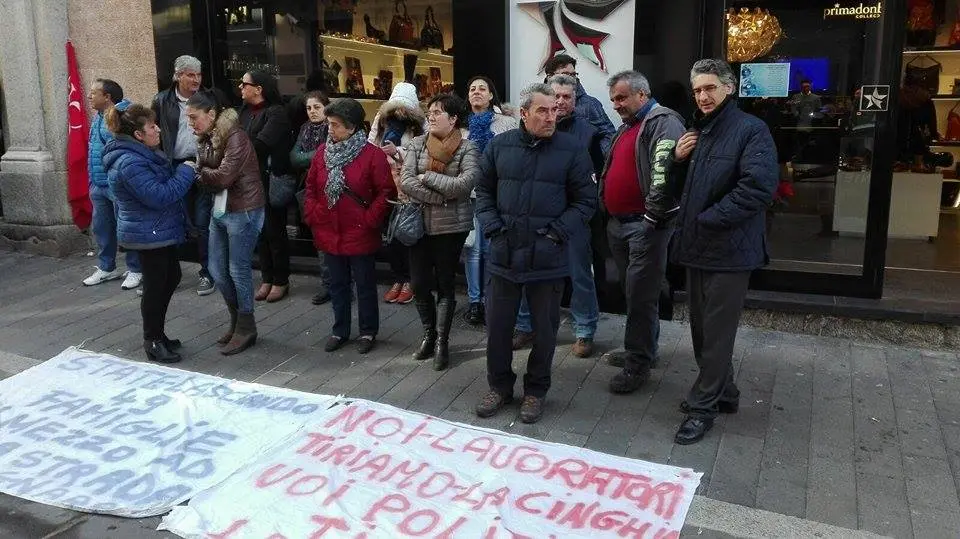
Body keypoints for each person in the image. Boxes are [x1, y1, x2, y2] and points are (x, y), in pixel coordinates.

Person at [474, 83, 596, 424]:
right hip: (504, 254)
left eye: (554, 110)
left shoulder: (571, 149)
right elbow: (482, 191)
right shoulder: (499, 146)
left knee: (544, 331)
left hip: (547, 257)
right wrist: (494, 231)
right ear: (524, 113)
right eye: (542, 110)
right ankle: (499, 387)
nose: (551, 115)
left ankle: (535, 391)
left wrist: (556, 234)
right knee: (498, 329)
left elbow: (586, 201)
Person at [670, 59, 778, 444]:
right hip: (699, 247)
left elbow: (758, 188)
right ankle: (725, 393)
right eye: (698, 90)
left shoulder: (751, 130)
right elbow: (681, 187)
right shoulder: (699, 129)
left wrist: (709, 219)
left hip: (729, 250)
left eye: (710, 88)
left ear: (729, 88)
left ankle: (703, 406)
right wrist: (677, 160)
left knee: (714, 332)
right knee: (703, 329)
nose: (703, 96)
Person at [599, 70, 687, 394]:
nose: (616, 105)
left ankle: (637, 366)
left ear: (642, 94)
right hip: (620, 225)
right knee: (635, 294)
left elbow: (663, 176)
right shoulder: (629, 126)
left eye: (621, 97)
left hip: (643, 226)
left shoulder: (663, 122)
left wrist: (651, 219)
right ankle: (643, 351)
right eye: (613, 100)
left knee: (639, 296)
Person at [512, 74, 603, 358]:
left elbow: (595, 180)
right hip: (536, 218)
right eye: (557, 97)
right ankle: (526, 326)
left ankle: (585, 330)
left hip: (573, 219)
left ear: (576, 101)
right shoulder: (526, 130)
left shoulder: (588, 133)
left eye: (567, 97)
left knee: (580, 276)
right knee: (528, 274)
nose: (561, 103)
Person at [101, 104, 196, 363]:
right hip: (147, 233)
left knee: (170, 277)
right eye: (152, 127)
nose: (157, 130)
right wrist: (187, 171)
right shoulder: (130, 162)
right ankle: (152, 340)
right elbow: (160, 195)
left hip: (156, 229)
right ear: (138, 135)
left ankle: (158, 334)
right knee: (156, 286)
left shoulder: (142, 154)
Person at [304, 99, 396, 355]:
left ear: (352, 127)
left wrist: (369, 221)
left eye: (335, 125)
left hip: (359, 231)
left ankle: (368, 331)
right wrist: (313, 213)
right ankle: (340, 329)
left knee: (365, 285)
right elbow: (311, 186)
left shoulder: (372, 155)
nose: (329, 129)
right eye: (329, 124)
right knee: (337, 284)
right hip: (328, 229)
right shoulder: (323, 152)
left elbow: (385, 192)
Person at [401, 93, 480, 371]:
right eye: (430, 112)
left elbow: (465, 184)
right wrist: (438, 196)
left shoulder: (468, 148)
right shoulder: (416, 144)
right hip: (419, 224)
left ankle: (441, 342)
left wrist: (430, 177)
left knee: (445, 284)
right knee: (420, 284)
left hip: (451, 227)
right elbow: (407, 181)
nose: (431, 116)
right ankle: (428, 334)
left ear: (454, 118)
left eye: (438, 112)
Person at [189, 91, 266, 356]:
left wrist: (201, 174)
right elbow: (211, 174)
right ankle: (237, 320)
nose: (191, 123)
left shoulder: (236, 136)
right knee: (216, 269)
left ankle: (246, 325)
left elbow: (221, 177)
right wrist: (205, 174)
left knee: (237, 269)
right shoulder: (205, 137)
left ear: (211, 114)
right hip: (221, 209)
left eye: (194, 117)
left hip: (244, 209)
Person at [152, 55, 216, 296]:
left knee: (202, 222)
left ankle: (208, 272)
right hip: (175, 166)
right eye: (190, 75)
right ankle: (172, 274)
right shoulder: (161, 100)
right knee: (176, 221)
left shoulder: (209, 98)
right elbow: (155, 133)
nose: (196, 79)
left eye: (199, 75)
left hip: (202, 164)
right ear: (178, 76)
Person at [463, 75, 519, 325]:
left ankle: (490, 298)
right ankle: (475, 301)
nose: (476, 92)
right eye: (472, 88)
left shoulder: (506, 123)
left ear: (490, 95)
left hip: (498, 194)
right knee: (473, 249)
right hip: (469, 194)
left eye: (482, 88)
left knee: (491, 248)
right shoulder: (460, 125)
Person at [368, 82, 426, 305]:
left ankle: (411, 280)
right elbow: (371, 144)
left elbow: (423, 151)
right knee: (390, 235)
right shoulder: (381, 121)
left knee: (408, 234)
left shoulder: (418, 125)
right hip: (385, 183)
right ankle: (398, 278)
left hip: (408, 185)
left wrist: (398, 151)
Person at [238, 70, 293, 303]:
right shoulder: (243, 112)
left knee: (274, 231)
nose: (240, 87)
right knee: (258, 232)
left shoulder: (276, 113)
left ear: (259, 89)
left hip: (270, 180)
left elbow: (260, 144)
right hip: (249, 180)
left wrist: (234, 149)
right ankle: (267, 278)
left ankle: (281, 280)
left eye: (244, 84)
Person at [83, 78, 141, 290]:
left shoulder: (122, 117)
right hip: (98, 185)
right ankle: (106, 267)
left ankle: (136, 269)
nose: (89, 96)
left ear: (107, 97)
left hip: (115, 185)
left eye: (93, 93)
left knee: (126, 228)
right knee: (102, 228)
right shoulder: (99, 116)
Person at [290, 90, 333, 306]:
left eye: (317, 107)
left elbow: (328, 155)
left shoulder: (333, 127)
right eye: (309, 108)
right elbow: (294, 158)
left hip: (330, 188)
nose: (312, 112)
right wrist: (314, 156)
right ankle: (327, 285)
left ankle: (341, 284)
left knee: (334, 238)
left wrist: (311, 157)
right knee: (319, 238)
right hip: (309, 188)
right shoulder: (305, 129)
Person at [543, 54, 615, 153]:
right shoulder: (537, 103)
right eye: (565, 74)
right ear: (550, 76)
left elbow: (608, 135)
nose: (571, 78)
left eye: (573, 74)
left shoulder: (590, 104)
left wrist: (591, 156)